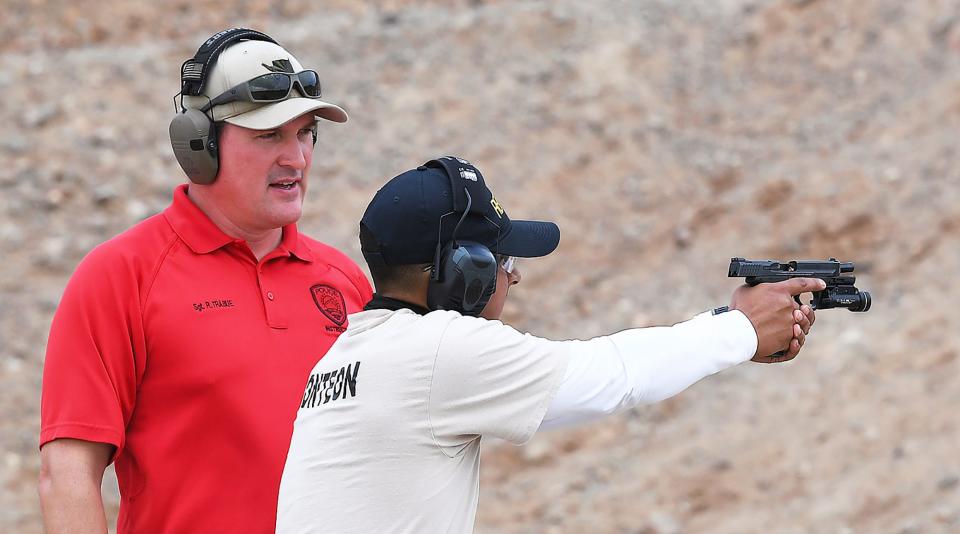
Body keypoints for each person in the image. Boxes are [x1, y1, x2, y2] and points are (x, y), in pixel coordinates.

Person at [275, 156, 821, 533]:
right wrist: (741, 328)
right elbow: (614, 377)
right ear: (463, 272)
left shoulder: (347, 354)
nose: (514, 279)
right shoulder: (440, 351)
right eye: (503, 262)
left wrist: (729, 323)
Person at [38, 28, 373, 533]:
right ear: (198, 145)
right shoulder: (120, 276)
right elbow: (67, 474)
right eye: (269, 135)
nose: (297, 158)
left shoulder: (345, 281)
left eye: (305, 132)